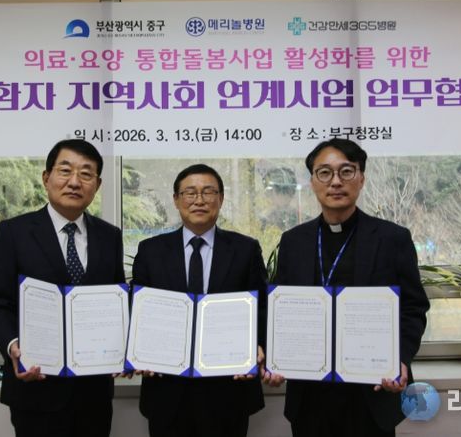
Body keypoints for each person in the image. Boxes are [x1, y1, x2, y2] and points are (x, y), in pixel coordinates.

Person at [263, 138, 430, 437]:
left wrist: (400, 359)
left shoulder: (392, 239)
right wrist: (275, 358)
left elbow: (413, 308)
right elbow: (280, 310)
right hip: (310, 397)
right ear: (313, 182)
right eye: (324, 173)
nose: (336, 181)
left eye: (346, 171)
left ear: (361, 178)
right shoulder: (293, 241)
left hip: (371, 393)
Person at [0, 139, 124, 437]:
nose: (74, 182)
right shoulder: (14, 232)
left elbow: (116, 302)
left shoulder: (110, 237)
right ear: (46, 178)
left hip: (94, 393)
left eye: (86, 174)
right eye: (65, 170)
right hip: (36, 388)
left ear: (97, 185)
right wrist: (13, 346)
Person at [132, 163, 267, 437]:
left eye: (208, 192)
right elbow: (137, 311)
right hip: (166, 392)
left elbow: (262, 308)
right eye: (190, 193)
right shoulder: (150, 251)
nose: (199, 200)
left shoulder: (245, 249)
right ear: (176, 200)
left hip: (228, 391)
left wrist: (259, 347)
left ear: (221, 199)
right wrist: (138, 349)